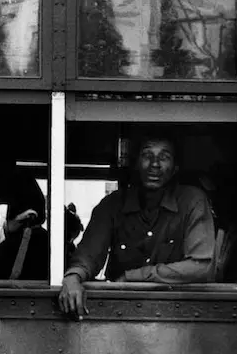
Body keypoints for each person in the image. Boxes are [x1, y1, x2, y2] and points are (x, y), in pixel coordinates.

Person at [59, 134, 216, 318]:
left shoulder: (192, 201)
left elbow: (201, 267)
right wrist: (73, 277)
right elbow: (88, 256)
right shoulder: (112, 205)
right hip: (119, 314)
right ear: (136, 164)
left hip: (177, 314)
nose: (155, 164)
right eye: (147, 155)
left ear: (175, 169)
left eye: (164, 157)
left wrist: (133, 276)